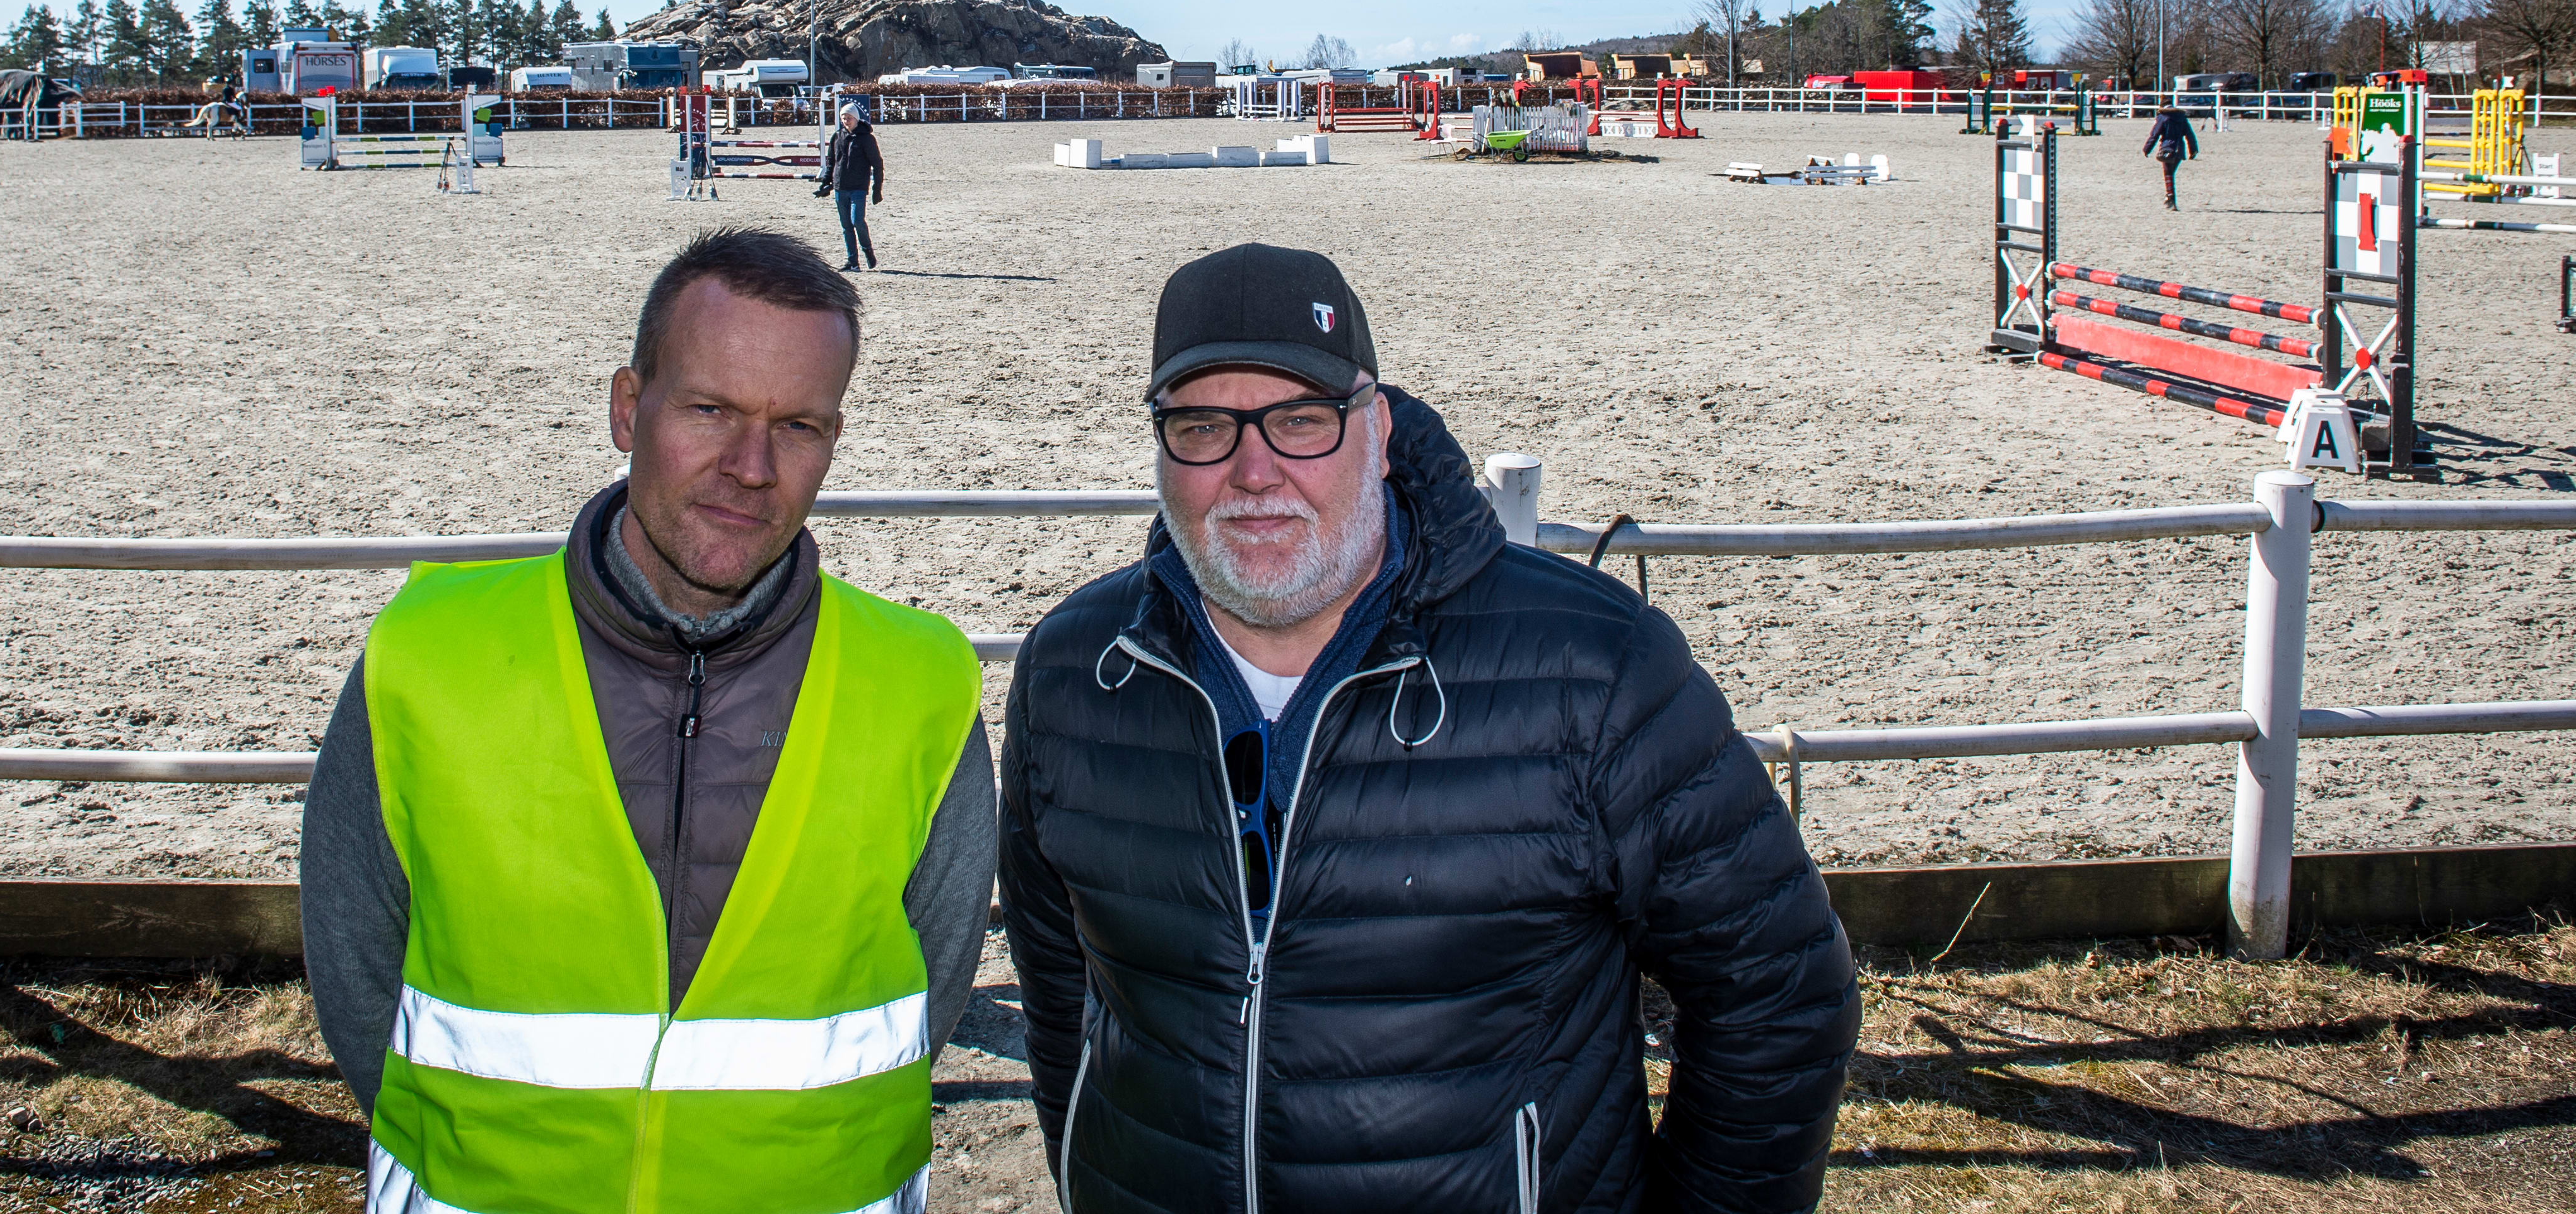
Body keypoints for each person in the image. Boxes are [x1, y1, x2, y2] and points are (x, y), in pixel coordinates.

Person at [1000, 243, 1857, 1213]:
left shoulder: (1589, 671)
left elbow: (1779, 994)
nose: (1254, 470)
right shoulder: (1076, 673)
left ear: (1379, 431)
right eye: (1202, 427)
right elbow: (1061, 993)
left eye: (1301, 421)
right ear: (1161, 450)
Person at [303, 226, 994, 1214]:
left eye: (799, 426)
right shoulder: (425, 656)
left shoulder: (922, 683)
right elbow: (356, 968)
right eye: (711, 410)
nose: (752, 467)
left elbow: (933, 987)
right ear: (628, 409)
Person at [815, 98, 886, 271]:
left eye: (849, 118)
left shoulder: (867, 139)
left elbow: (877, 164)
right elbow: (832, 162)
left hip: (858, 188)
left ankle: (867, 249)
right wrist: (826, 183)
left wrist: (877, 189)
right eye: (844, 118)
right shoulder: (837, 136)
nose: (847, 121)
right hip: (841, 188)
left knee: (857, 221)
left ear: (856, 118)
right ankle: (853, 261)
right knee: (846, 226)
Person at [2144, 102, 2199, 209]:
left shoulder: (2163, 117)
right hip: (2179, 150)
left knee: (2168, 174)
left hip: (2167, 149)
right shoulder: (2182, 118)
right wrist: (2193, 151)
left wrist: (2147, 149)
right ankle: (2170, 198)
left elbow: (2155, 135)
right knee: (2170, 174)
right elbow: (2190, 135)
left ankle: (2171, 198)